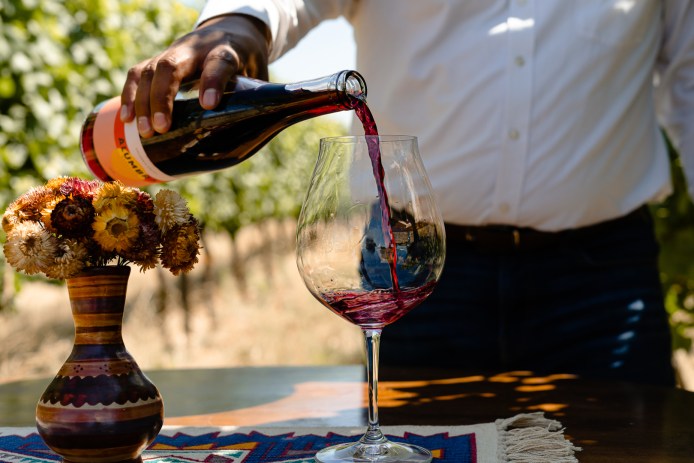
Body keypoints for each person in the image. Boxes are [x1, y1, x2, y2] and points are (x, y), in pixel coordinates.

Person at [120, 1, 694, 386]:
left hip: (603, 280)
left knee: (627, 445)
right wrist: (239, 23)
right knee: (417, 445)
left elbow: (690, 84)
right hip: (412, 265)